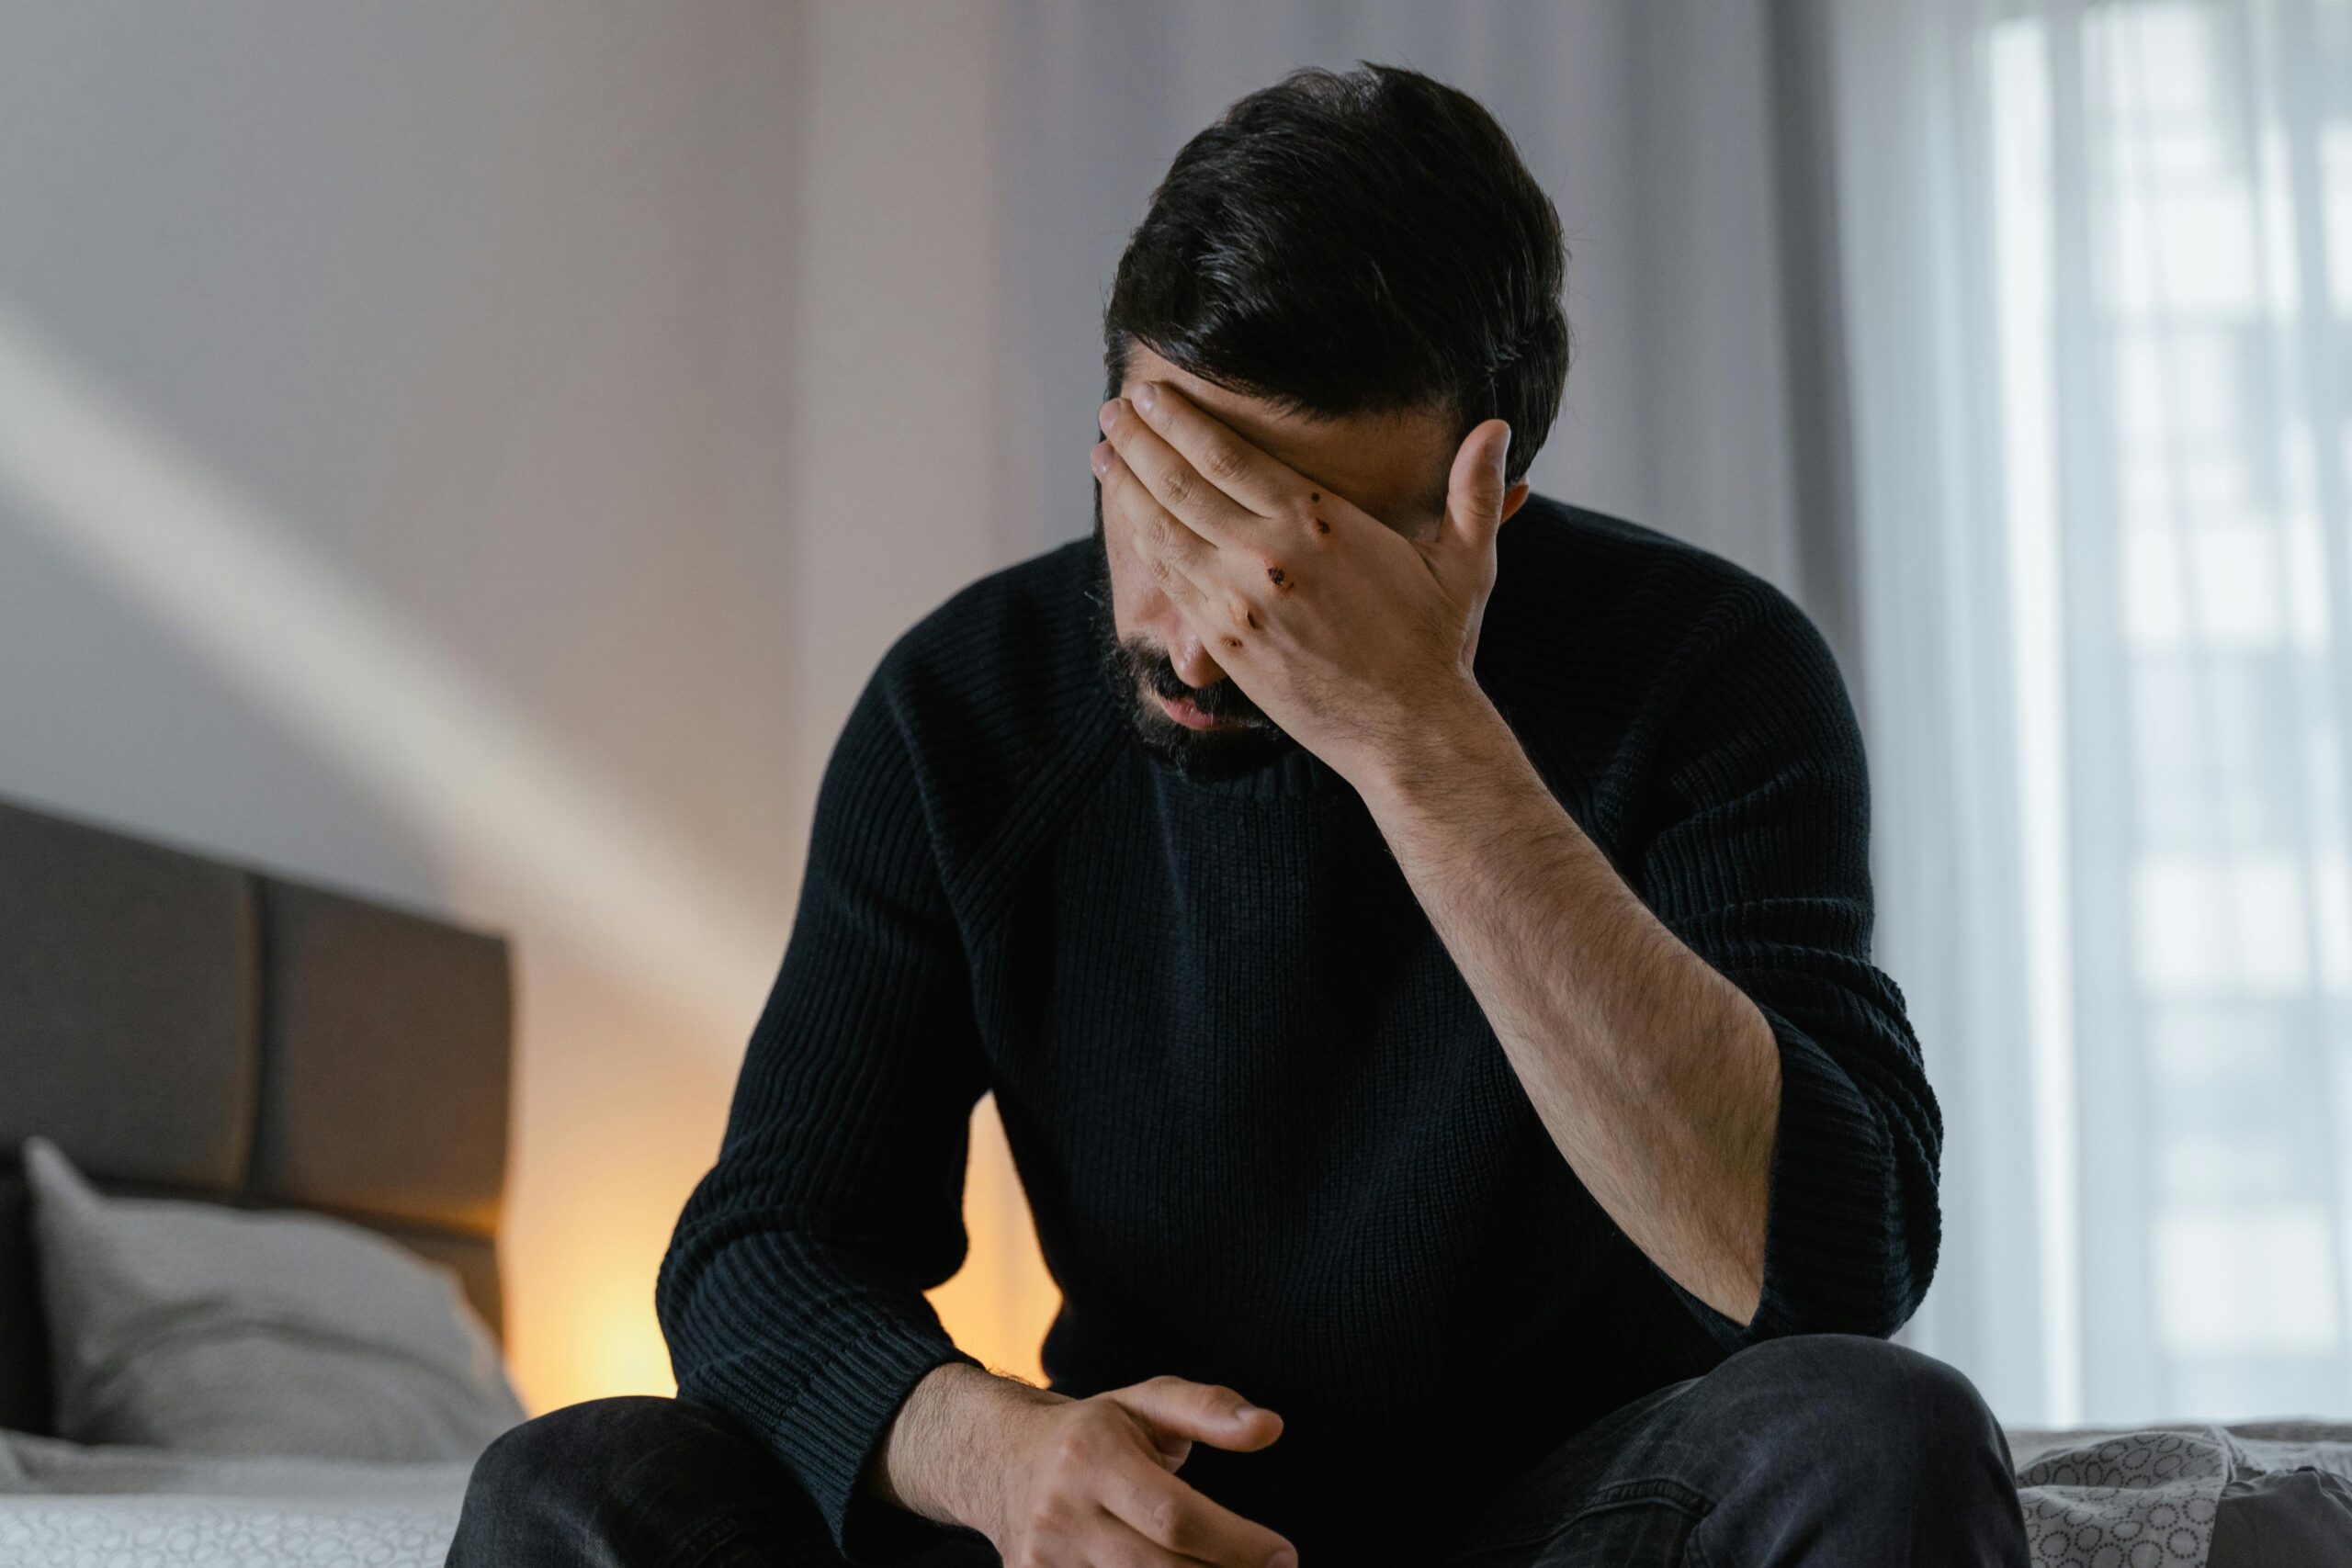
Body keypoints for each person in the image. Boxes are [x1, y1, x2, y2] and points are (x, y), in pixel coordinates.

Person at [447, 62, 2030, 1568]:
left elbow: (1834, 1268)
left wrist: (1421, 738)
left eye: (1307, 552)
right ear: (1112, 413)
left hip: (1570, 1524)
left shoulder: (1711, 670)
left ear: (1490, 501)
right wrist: (996, 1452)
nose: (1207, 633)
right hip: (1152, 1527)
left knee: (1875, 1432)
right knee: (576, 1487)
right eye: (1177, 495)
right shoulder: (960, 712)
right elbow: (762, 1252)